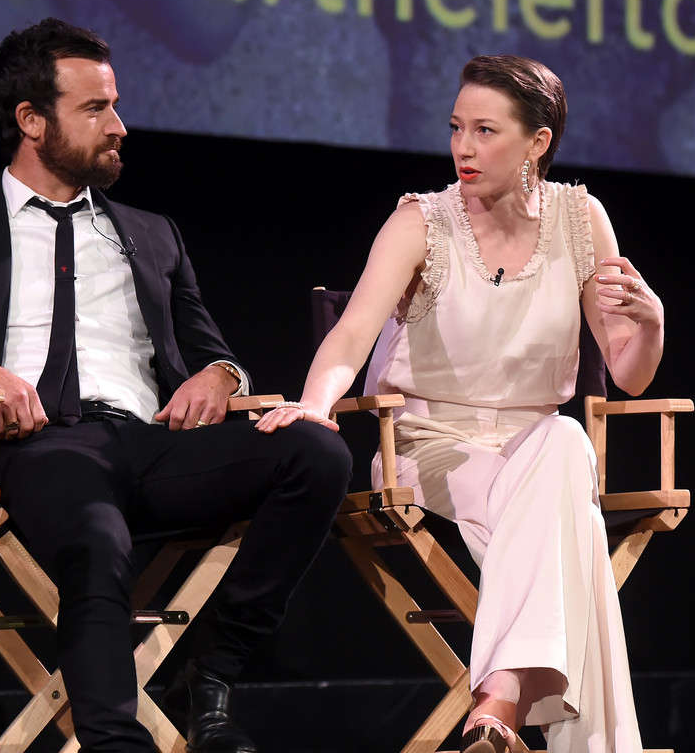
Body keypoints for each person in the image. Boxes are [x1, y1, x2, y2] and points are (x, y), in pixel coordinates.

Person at [0, 18, 351, 753]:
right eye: (95, 109)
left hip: (151, 444)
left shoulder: (153, 232)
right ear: (31, 120)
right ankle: (116, 741)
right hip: (34, 449)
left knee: (316, 453)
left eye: (115, 104)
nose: (118, 126)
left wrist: (221, 376)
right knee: (94, 531)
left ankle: (212, 670)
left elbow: (217, 353)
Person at [256, 55, 665, 753]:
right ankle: (532, 718)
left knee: (565, 444)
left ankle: (494, 705)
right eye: (456, 128)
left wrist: (651, 323)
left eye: (484, 130)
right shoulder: (421, 221)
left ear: (537, 142)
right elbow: (352, 332)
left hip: (534, 448)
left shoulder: (581, 217)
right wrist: (316, 404)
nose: (463, 148)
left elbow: (626, 375)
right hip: (425, 443)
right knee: (571, 517)